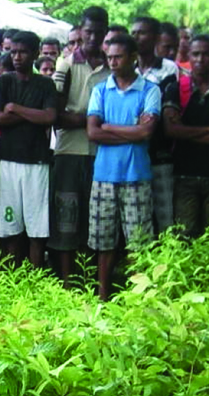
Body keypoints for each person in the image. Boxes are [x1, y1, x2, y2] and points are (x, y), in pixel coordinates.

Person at [86, 33, 160, 301]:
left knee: (138, 245)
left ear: (133, 58)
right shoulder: (100, 89)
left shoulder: (150, 89)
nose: (113, 62)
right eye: (109, 57)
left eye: (118, 57)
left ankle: (137, 300)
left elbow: (147, 133)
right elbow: (93, 133)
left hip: (136, 175)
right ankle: (102, 298)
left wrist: (109, 126)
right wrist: (133, 129)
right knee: (103, 243)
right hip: (104, 176)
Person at [49, 6, 111, 286]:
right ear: (80, 31)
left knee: (95, 218)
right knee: (66, 214)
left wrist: (90, 122)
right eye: (89, 31)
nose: (94, 37)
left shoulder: (113, 64)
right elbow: (55, 114)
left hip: (102, 153)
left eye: (99, 32)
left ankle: (90, 281)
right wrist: (91, 121)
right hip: (69, 150)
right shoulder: (66, 64)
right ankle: (66, 281)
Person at [0, 30, 57, 268]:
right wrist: (31, 113)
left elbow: (49, 116)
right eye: (13, 51)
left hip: (37, 163)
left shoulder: (45, 84)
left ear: (35, 54)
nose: (17, 57)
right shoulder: (5, 81)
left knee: (37, 229)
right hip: (8, 161)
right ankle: (13, 279)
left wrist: (16, 108)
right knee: (10, 226)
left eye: (23, 52)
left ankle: (35, 279)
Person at [163, 34, 209, 238]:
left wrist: (186, 131)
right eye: (196, 54)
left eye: (207, 54)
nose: (201, 59)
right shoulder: (176, 89)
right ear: (188, 56)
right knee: (184, 236)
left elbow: (179, 130)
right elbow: (171, 130)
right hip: (184, 176)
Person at [132, 17, 179, 234]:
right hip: (133, 151)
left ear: (156, 37)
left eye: (142, 33)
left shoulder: (168, 68)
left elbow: (162, 107)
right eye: (134, 33)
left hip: (160, 150)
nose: (137, 37)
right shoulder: (128, 68)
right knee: (138, 216)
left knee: (165, 214)